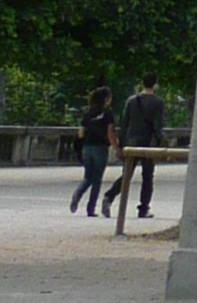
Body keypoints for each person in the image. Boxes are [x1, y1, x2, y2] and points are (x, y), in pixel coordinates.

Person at [100, 74, 167, 219]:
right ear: (155, 85)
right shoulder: (158, 102)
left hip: (131, 140)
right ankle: (143, 208)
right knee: (147, 176)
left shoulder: (132, 101)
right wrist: (161, 142)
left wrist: (121, 144)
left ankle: (109, 196)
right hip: (148, 142)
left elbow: (125, 123)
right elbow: (158, 126)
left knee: (127, 174)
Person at [66, 86, 113, 216]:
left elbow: (81, 133)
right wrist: (116, 146)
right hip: (101, 147)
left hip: (87, 147)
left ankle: (78, 193)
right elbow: (110, 132)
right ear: (106, 99)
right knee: (97, 180)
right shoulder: (108, 113)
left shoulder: (88, 113)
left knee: (88, 177)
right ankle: (90, 208)